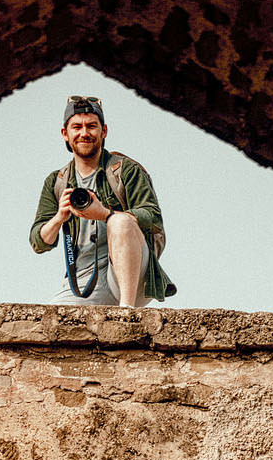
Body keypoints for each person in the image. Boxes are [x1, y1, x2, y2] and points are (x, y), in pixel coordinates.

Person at [29, 95, 175, 305]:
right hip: (82, 285)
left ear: (103, 131)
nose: (84, 133)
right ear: (65, 134)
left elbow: (153, 217)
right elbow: (38, 242)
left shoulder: (125, 170)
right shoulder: (57, 181)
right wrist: (59, 218)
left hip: (132, 282)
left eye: (91, 126)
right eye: (76, 127)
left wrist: (105, 215)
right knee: (42, 328)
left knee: (120, 221)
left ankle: (127, 314)